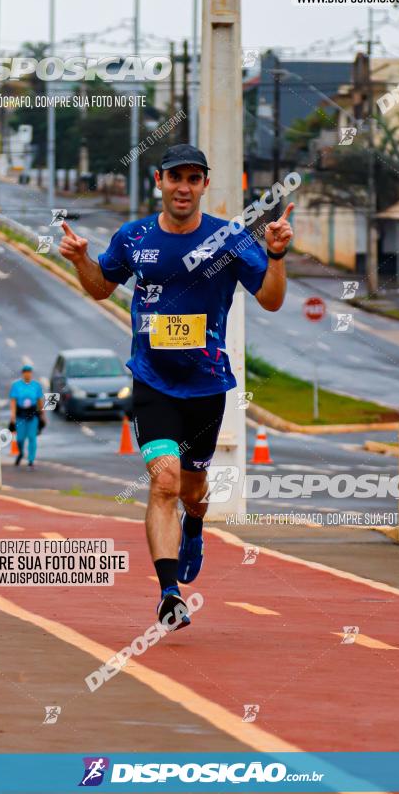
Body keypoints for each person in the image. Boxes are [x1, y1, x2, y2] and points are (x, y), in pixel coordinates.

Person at [59, 143, 293, 628]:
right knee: (163, 481)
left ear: (205, 184)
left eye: (193, 178)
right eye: (174, 178)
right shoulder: (134, 236)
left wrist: (276, 254)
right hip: (152, 379)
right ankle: (169, 593)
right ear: (159, 182)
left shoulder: (228, 239)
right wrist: (81, 259)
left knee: (193, 490)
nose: (183, 187)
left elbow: (270, 300)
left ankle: (197, 526)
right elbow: (102, 286)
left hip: (207, 386)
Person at [9, 365, 46, 468]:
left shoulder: (36, 385)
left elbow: (39, 400)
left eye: (29, 372)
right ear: (23, 373)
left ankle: (31, 460)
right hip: (21, 414)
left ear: (31, 373)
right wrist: (12, 414)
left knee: (32, 437)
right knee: (20, 438)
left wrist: (42, 414)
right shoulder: (16, 386)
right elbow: (13, 400)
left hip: (32, 414)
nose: (27, 374)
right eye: (25, 372)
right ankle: (20, 452)